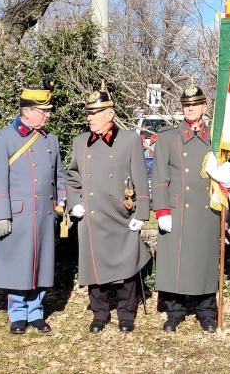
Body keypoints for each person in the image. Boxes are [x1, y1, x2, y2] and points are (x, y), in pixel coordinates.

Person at [65, 83, 151, 333]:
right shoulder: (81, 142)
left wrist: (141, 213)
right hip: (92, 216)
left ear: (110, 114)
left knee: (126, 266)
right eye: (88, 113)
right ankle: (99, 313)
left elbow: (140, 178)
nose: (89, 118)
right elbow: (72, 178)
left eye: (94, 113)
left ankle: (126, 313)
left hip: (122, 215)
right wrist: (75, 202)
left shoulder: (129, 140)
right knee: (94, 267)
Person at [151, 85, 230, 333]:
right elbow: (159, 177)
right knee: (174, 261)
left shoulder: (217, 137)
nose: (191, 109)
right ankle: (174, 311)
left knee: (205, 261)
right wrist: (162, 210)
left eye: (196, 105)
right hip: (177, 210)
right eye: (187, 105)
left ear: (204, 107)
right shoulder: (168, 137)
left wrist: (227, 176)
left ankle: (206, 311)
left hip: (206, 208)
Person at [0, 83, 66, 335]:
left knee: (41, 264)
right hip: (16, 213)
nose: (48, 114)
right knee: (18, 265)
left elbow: (59, 175)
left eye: (48, 109)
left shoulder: (50, 138)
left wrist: (62, 199)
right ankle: (18, 314)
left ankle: (36, 312)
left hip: (43, 213)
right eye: (43, 110)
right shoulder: (3, 138)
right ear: (27, 111)